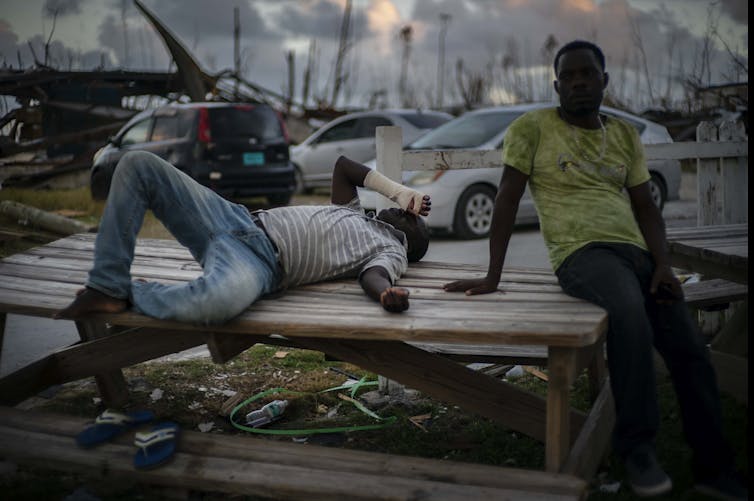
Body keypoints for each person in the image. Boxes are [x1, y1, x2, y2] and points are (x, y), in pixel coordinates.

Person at [444, 40, 746, 500]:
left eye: (588, 74)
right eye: (569, 76)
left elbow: (646, 208)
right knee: (628, 317)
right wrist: (492, 276)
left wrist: (663, 264)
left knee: (689, 347)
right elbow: (505, 200)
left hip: (637, 254)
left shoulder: (625, 136)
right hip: (581, 254)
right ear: (557, 84)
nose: (579, 82)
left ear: (604, 81)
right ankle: (638, 449)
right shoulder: (533, 128)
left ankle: (713, 466)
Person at [56, 151, 430, 323]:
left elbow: (374, 275)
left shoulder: (390, 246)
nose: (405, 211)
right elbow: (344, 167)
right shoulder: (351, 211)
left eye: (412, 218)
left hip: (259, 263)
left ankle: (127, 295)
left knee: (217, 305)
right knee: (138, 164)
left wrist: (385, 294)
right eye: (406, 208)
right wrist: (399, 191)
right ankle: (106, 285)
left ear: (411, 240)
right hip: (231, 217)